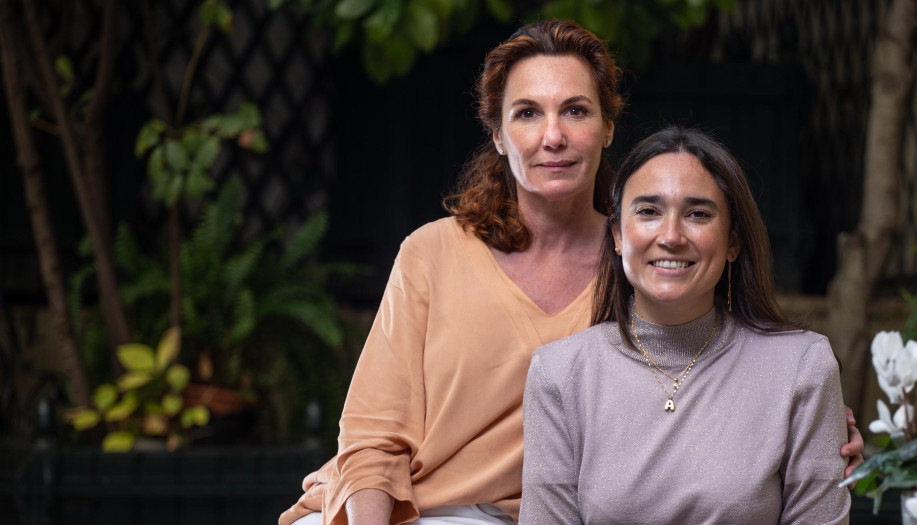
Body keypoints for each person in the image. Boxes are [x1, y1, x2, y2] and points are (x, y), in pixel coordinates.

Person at [280, 20, 862, 525]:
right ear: (498, 135)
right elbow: (372, 441)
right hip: (406, 509)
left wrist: (810, 427)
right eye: (527, 113)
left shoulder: (646, 256)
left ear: (608, 127)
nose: (552, 136)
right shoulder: (431, 254)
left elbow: (711, 368)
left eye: (576, 110)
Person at [520, 127, 851, 524]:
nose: (671, 236)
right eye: (648, 211)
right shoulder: (559, 373)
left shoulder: (801, 366)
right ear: (618, 236)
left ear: (733, 242)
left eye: (697, 214)